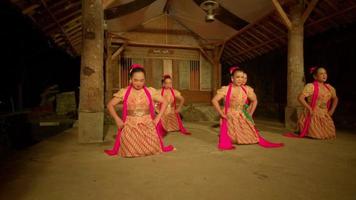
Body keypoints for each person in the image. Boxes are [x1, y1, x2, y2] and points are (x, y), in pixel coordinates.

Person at [104, 64, 174, 157]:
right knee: (129, 151)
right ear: (131, 79)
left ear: (145, 80)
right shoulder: (124, 92)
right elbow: (110, 105)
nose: (138, 83)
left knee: (152, 149)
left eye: (142, 80)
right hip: (130, 125)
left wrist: (158, 118)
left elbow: (165, 102)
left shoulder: (150, 91)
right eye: (135, 80)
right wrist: (117, 119)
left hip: (147, 125)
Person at [211, 66, 283, 150]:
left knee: (252, 138)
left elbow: (255, 100)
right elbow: (214, 100)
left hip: (242, 114)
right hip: (230, 115)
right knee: (234, 139)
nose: (240, 79)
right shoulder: (226, 89)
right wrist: (221, 113)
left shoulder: (246, 89)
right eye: (237, 77)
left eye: (242, 77)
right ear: (232, 78)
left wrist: (250, 114)